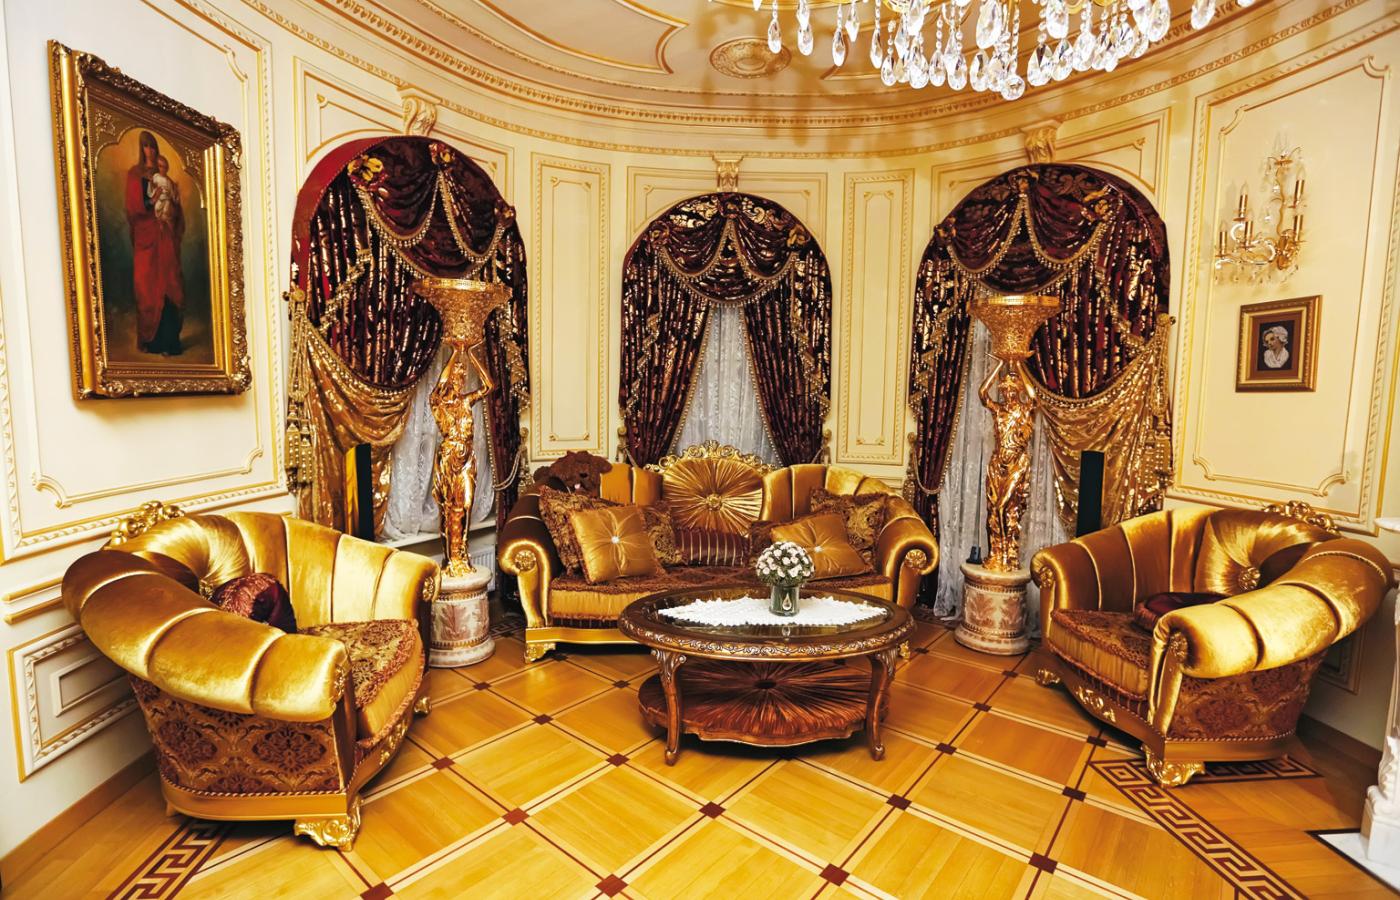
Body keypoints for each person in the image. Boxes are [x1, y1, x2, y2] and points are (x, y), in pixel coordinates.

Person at [124, 131, 185, 355]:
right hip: (146, 238)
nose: (149, 151)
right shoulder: (135, 174)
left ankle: (171, 342)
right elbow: (133, 208)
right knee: (147, 286)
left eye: (152, 146)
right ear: (141, 149)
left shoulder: (164, 177)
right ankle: (152, 341)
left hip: (165, 235)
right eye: (145, 146)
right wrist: (152, 201)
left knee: (170, 282)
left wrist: (172, 208)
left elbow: (176, 210)